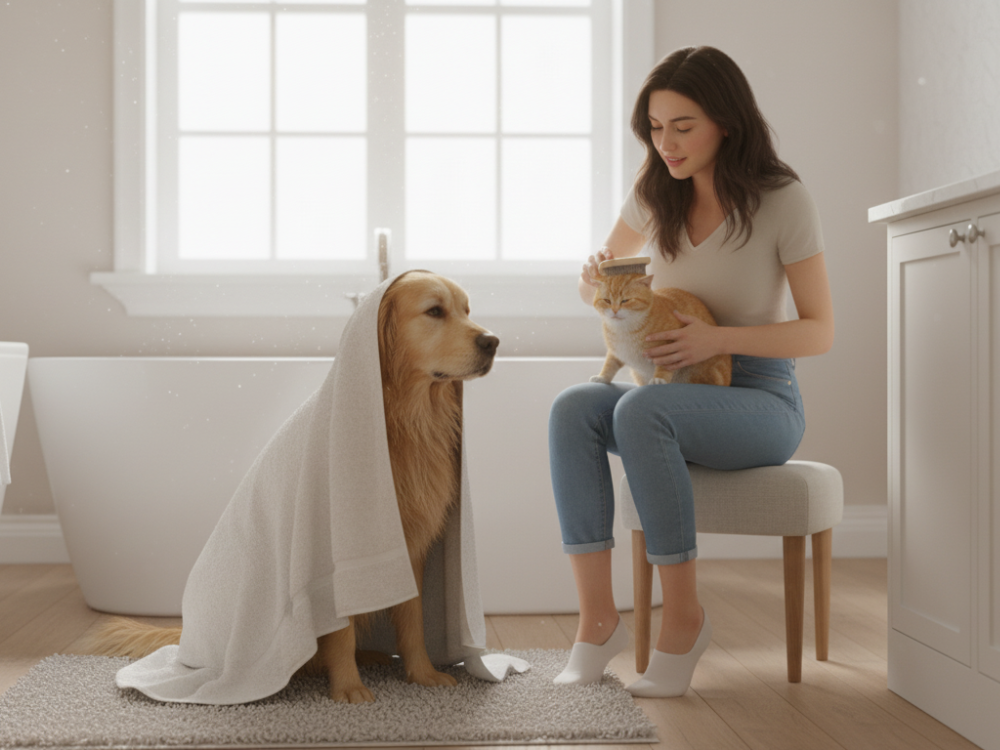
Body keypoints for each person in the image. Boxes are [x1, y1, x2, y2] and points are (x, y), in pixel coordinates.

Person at [548, 46, 834, 697]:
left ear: (725, 122)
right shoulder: (655, 193)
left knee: (638, 408)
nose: (666, 143)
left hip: (761, 399)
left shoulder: (781, 198)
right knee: (575, 406)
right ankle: (597, 622)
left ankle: (684, 617)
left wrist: (717, 336)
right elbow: (608, 292)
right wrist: (593, 282)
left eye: (683, 126)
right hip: (672, 393)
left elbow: (820, 329)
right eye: (655, 127)